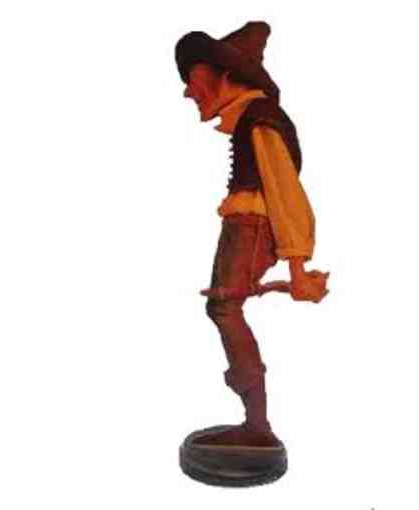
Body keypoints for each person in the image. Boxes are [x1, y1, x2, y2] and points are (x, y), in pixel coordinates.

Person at [175, 21, 329, 448]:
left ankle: (257, 424)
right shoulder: (253, 120)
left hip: (251, 228)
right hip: (244, 226)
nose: (188, 91)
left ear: (225, 76)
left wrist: (297, 267)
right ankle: (254, 420)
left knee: (225, 309)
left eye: (194, 78)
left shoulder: (261, 121)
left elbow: (285, 191)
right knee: (224, 308)